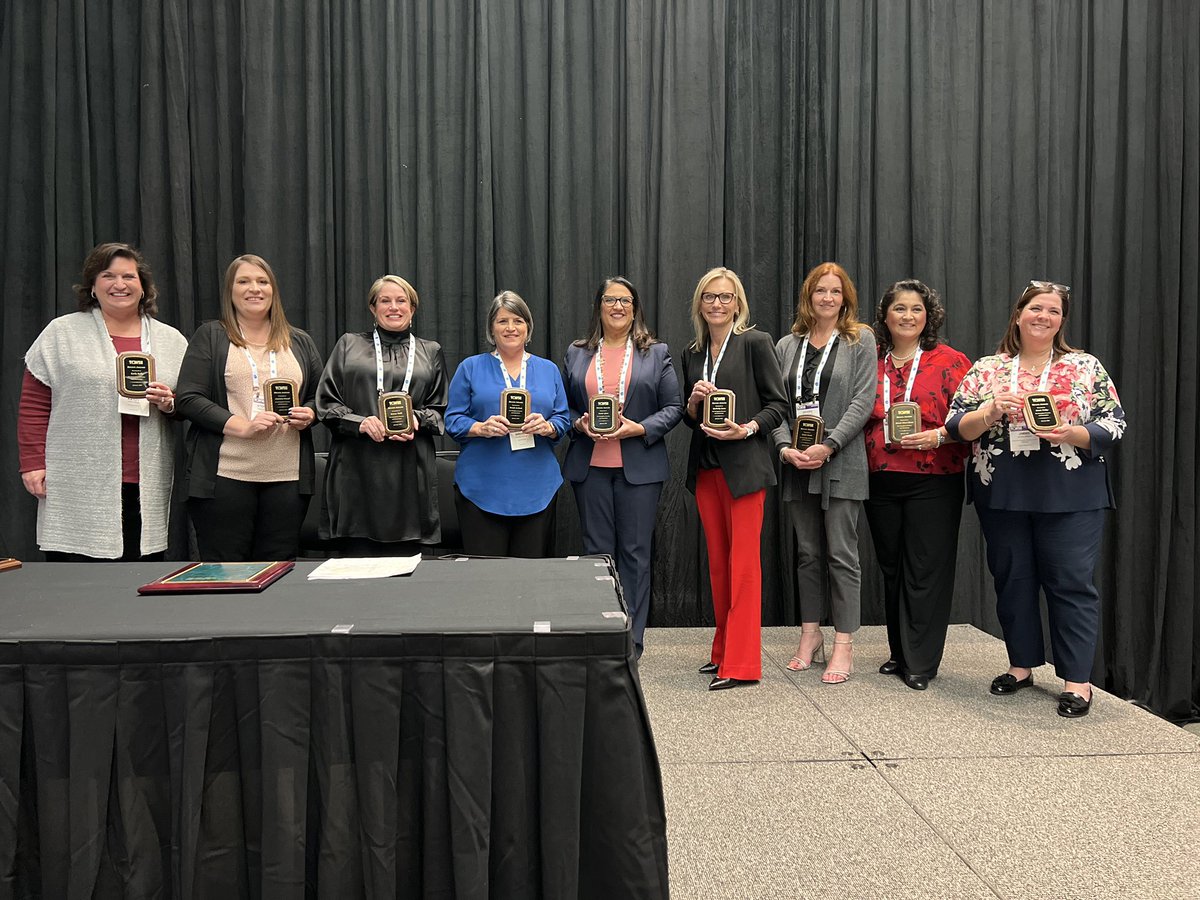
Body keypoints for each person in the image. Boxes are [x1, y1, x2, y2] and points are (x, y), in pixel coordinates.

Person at [947, 280, 1125, 718]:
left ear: (1062, 320)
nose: (1043, 316)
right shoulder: (988, 368)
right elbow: (955, 425)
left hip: (1070, 493)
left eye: (1053, 310)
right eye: (1035, 308)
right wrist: (988, 411)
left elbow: (1114, 423)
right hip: (1002, 491)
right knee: (1013, 579)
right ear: (1018, 314)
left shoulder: (1085, 366)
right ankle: (1022, 665)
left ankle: (1077, 681)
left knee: (1070, 583)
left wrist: (1072, 433)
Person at [18, 242, 188, 560]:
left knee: (136, 573)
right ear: (93, 286)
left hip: (143, 481)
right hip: (76, 477)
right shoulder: (61, 333)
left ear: (143, 286)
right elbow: (34, 403)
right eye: (107, 275)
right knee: (75, 577)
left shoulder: (172, 340)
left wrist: (169, 402)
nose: (119, 284)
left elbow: (187, 405)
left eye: (128, 276)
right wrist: (32, 463)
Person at [563, 276, 684, 657]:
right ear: (599, 306)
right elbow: (562, 406)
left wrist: (640, 427)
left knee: (634, 554)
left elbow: (674, 408)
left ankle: (631, 639)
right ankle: (599, 633)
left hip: (639, 469)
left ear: (635, 309)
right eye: (611, 300)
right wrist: (577, 423)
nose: (618, 307)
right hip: (590, 467)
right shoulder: (577, 352)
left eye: (626, 301)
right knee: (596, 554)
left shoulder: (656, 352)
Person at [175, 254, 323, 560]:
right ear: (230, 290)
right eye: (243, 281)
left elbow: (321, 397)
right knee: (226, 575)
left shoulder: (299, 341)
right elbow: (188, 398)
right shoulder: (212, 336)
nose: (254, 288)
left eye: (262, 281)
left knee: (279, 571)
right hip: (226, 476)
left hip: (287, 480)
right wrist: (240, 426)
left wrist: (310, 414)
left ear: (273, 290)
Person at [862, 280, 972, 690]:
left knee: (926, 568)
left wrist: (940, 434)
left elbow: (970, 418)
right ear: (885, 316)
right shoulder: (869, 359)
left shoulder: (950, 361)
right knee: (893, 567)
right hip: (881, 478)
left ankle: (921, 661)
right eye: (899, 309)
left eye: (916, 309)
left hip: (934, 477)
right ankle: (899, 650)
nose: (908, 316)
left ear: (929, 316)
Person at [682, 267, 788, 691]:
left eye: (725, 297)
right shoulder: (694, 351)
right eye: (709, 297)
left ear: (738, 303)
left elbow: (778, 404)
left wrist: (746, 428)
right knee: (719, 567)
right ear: (699, 303)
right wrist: (692, 403)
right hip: (707, 469)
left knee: (743, 567)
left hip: (745, 469)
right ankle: (723, 652)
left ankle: (743, 666)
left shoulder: (756, 343)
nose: (717, 304)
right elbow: (691, 420)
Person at [773, 262, 876, 684]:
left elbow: (863, 400)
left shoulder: (860, 339)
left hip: (842, 461)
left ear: (846, 298)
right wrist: (783, 447)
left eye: (835, 292)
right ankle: (810, 635)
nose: (828, 298)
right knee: (808, 554)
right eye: (820, 291)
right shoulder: (786, 344)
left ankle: (844, 644)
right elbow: (776, 403)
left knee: (841, 555)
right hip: (797, 465)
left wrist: (829, 444)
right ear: (808, 297)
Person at [315, 275, 449, 556]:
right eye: (385, 301)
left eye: (402, 301)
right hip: (356, 470)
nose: (394, 307)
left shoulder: (431, 351)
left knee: (407, 578)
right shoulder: (348, 345)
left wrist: (417, 419)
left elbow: (439, 410)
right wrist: (360, 422)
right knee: (355, 571)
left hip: (409, 471)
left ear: (413, 309)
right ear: (373, 308)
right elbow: (326, 403)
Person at [445, 290, 570, 557]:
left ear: (528, 327)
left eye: (518, 321)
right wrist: (480, 428)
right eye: (502, 321)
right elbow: (452, 420)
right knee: (486, 581)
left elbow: (562, 418)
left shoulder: (548, 369)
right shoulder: (470, 367)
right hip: (481, 489)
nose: (510, 328)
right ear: (492, 327)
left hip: (538, 488)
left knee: (529, 581)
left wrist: (547, 426)